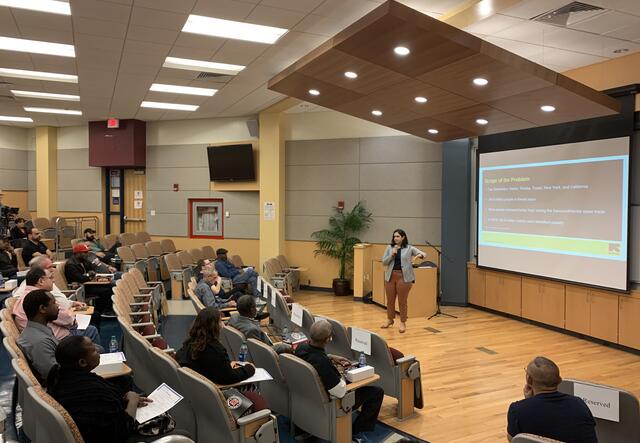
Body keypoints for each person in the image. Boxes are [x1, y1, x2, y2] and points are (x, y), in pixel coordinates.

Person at [47, 335, 153, 443]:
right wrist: (133, 401)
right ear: (82, 362)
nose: (98, 350)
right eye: (93, 349)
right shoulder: (93, 392)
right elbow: (121, 431)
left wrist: (124, 400)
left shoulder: (62, 378)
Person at [295, 319, 384, 440]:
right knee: (376, 392)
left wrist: (330, 357)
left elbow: (313, 357)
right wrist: (342, 374)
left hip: (306, 396)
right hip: (330, 404)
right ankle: (355, 431)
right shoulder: (323, 363)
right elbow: (340, 391)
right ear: (328, 339)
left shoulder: (301, 347)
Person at [507, 356, 597, 443]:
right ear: (559, 380)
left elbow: (514, 440)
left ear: (529, 380)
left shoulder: (517, 410)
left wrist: (528, 401)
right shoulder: (579, 404)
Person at [13, 267, 102, 348]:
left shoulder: (25, 296)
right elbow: (68, 320)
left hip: (42, 338)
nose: (54, 280)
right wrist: (72, 319)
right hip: (56, 341)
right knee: (92, 331)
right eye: (51, 278)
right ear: (41, 281)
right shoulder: (41, 298)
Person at [177, 307, 255, 385]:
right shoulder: (215, 349)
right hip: (213, 389)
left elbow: (213, 367)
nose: (223, 324)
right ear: (214, 326)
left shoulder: (190, 342)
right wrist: (249, 368)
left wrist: (227, 365)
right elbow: (228, 378)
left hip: (194, 386)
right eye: (220, 321)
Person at [381, 229, 425, 333]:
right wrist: (392, 254)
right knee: (390, 300)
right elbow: (384, 262)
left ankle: (403, 322)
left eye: (397, 236)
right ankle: (390, 319)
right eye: (394, 236)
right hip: (390, 276)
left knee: (402, 301)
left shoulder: (409, 248)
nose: (395, 238)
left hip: (404, 277)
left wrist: (419, 256)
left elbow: (423, 254)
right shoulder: (389, 247)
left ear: (403, 237)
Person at [16, 289, 60, 382]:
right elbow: (55, 376)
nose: (58, 306)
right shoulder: (39, 342)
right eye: (54, 303)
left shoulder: (37, 331)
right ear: (42, 308)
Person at [65, 243, 115, 317]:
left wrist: (90, 275)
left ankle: (101, 309)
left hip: (87, 284)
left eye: (87, 252)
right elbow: (80, 279)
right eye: (85, 252)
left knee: (111, 285)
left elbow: (92, 271)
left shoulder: (83, 260)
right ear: (78, 253)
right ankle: (106, 311)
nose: (87, 254)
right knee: (107, 289)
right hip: (80, 288)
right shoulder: (71, 265)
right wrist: (90, 276)